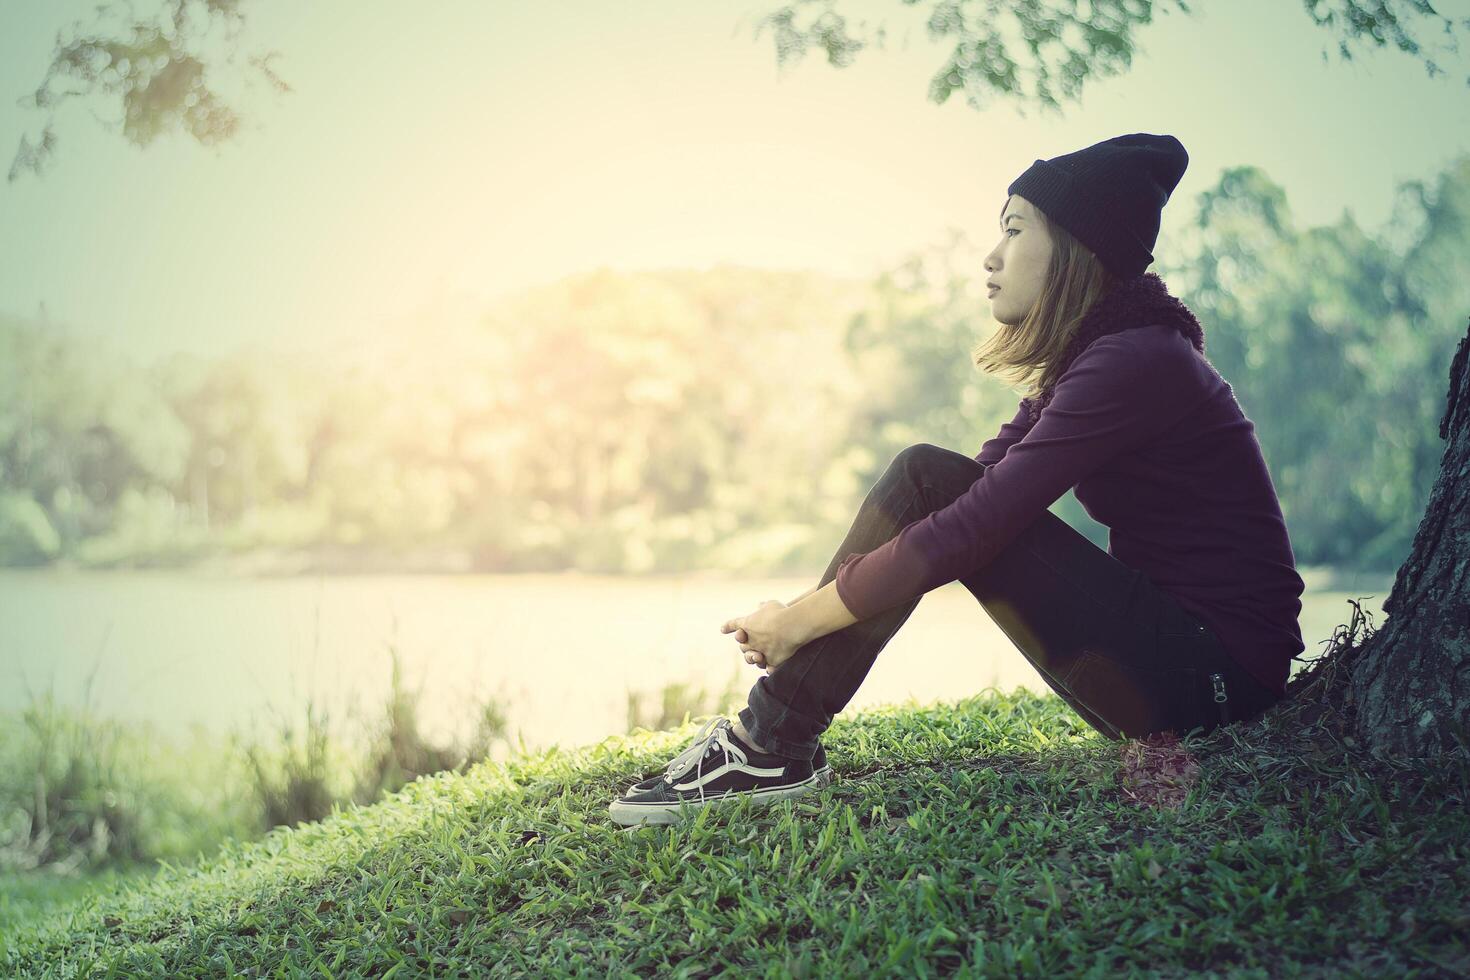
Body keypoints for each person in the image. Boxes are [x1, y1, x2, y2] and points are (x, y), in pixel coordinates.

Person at [609, 132, 1305, 828]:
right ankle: (770, 739)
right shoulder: (1103, 359)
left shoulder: (1136, 361)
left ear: (1076, 247)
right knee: (932, 480)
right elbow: (963, 494)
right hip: (1181, 674)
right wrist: (800, 613)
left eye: (1013, 230)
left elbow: (967, 523)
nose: (991, 257)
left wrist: (799, 620)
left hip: (1214, 686)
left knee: (927, 476)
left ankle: (770, 742)